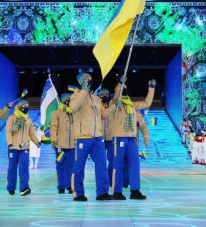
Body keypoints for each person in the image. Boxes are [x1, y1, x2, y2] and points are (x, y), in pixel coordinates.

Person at [69, 71, 114, 201]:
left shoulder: (96, 98)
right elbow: (73, 108)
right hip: (83, 137)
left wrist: (113, 107)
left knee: (101, 165)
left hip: (98, 138)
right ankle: (78, 193)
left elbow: (104, 115)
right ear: (82, 82)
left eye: (91, 79)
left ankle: (102, 192)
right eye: (87, 79)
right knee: (79, 166)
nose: (90, 81)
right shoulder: (76, 96)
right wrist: (83, 91)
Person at [108, 78, 155, 200]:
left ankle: (135, 190)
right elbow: (117, 95)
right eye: (123, 87)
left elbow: (147, 103)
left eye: (125, 87)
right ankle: (117, 191)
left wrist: (151, 88)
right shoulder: (115, 103)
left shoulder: (132, 105)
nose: (125, 89)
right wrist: (119, 84)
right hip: (119, 137)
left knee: (135, 163)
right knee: (118, 164)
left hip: (132, 138)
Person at [5, 99, 41, 196]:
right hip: (13, 147)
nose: (26, 108)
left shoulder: (28, 119)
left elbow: (31, 133)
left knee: (24, 168)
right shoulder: (12, 118)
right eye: (24, 106)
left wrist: (37, 142)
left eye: (27, 106)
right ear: (20, 107)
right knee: (12, 168)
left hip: (24, 148)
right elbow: (8, 131)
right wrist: (10, 144)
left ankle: (24, 188)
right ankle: (11, 188)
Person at [50, 92, 76, 194]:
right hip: (60, 145)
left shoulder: (74, 112)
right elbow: (53, 127)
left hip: (72, 145)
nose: (70, 102)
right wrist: (53, 140)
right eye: (68, 100)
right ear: (64, 100)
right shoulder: (56, 113)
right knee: (60, 166)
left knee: (71, 166)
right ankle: (61, 186)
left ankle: (70, 186)